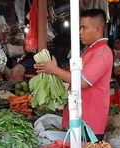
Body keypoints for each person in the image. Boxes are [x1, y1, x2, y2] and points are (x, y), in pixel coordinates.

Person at [35, 9, 113, 140]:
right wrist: (54, 70)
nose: (80, 32)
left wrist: (54, 70)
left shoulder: (102, 53)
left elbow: (82, 82)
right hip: (80, 118)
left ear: (98, 30)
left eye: (84, 28)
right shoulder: (90, 51)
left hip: (90, 123)